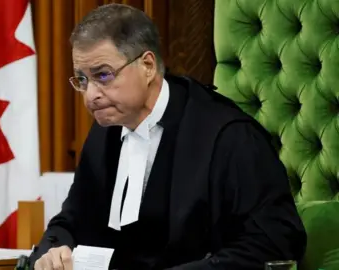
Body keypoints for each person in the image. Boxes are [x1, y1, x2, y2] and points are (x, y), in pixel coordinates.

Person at [29, 3, 306, 270]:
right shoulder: (105, 132)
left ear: (148, 66)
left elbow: (274, 244)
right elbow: (71, 220)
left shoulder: (228, 136)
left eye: (103, 75)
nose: (91, 96)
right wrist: (52, 251)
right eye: (83, 80)